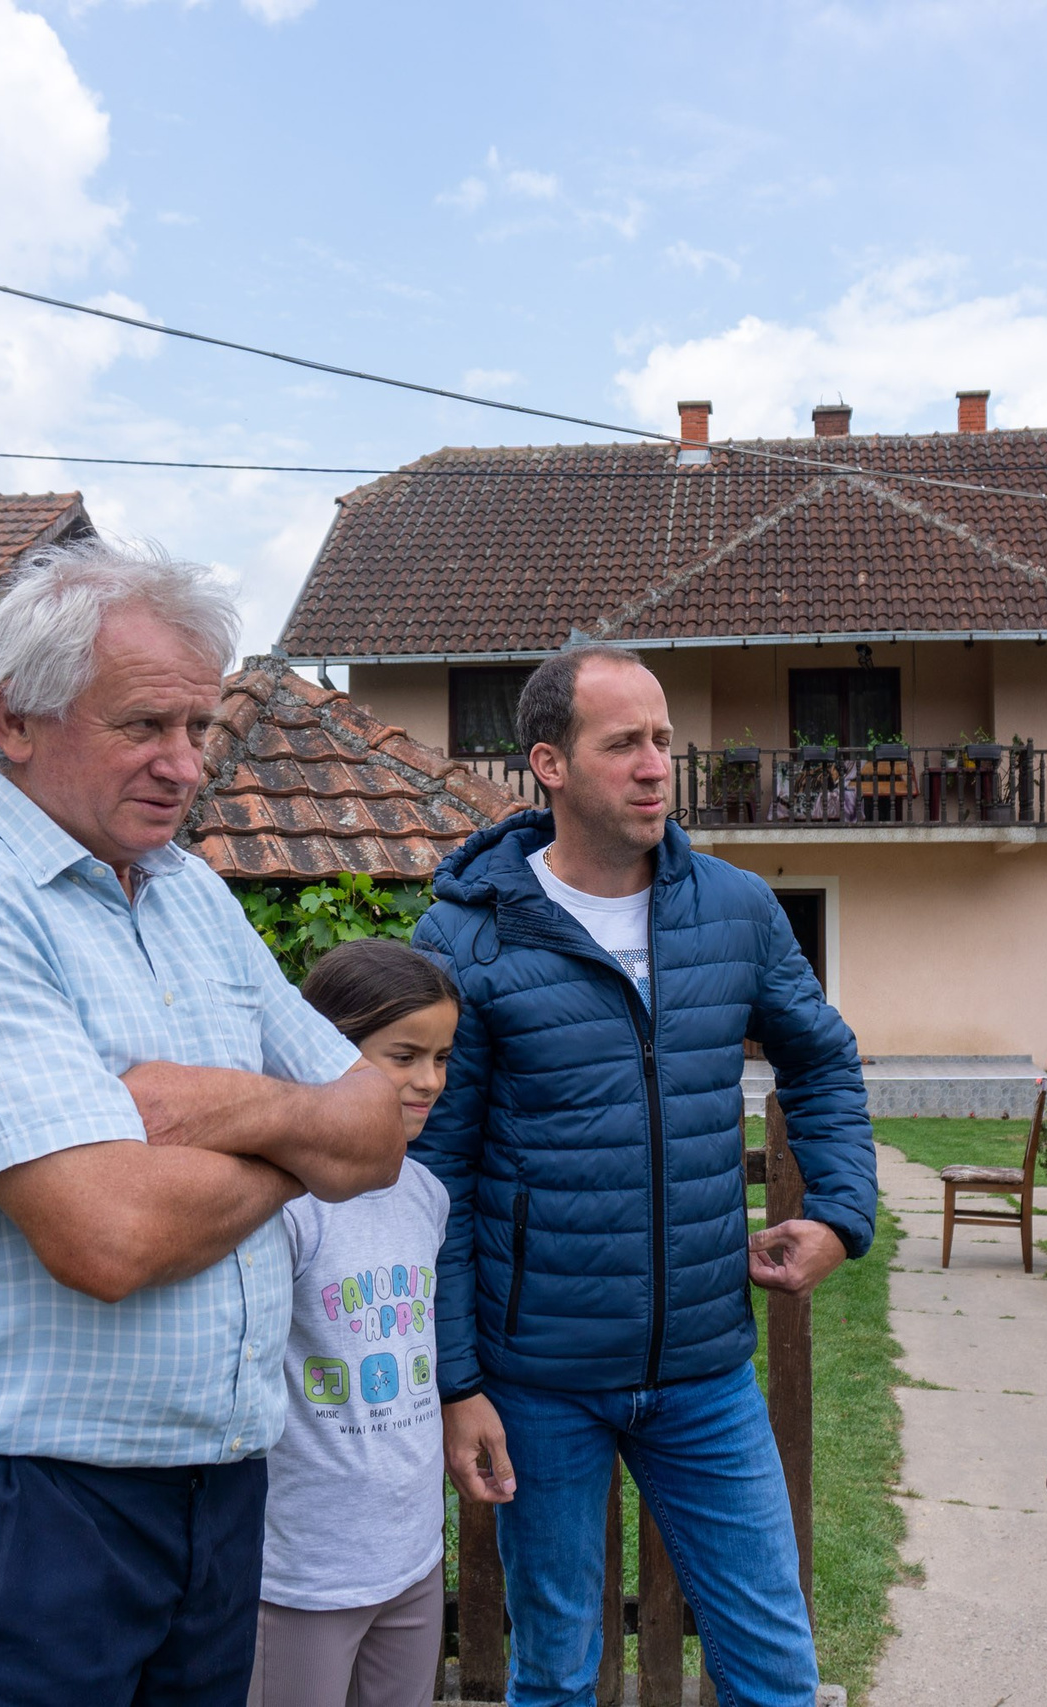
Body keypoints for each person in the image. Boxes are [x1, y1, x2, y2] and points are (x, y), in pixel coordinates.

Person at [0, 535, 406, 1707]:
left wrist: (221, 1109)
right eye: (145, 726)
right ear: (14, 720)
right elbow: (108, 1239)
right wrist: (302, 1142)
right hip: (11, 1509)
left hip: (213, 1493)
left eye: (198, 726)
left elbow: (380, 1128)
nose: (187, 766)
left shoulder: (187, 893)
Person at [411, 644, 878, 1707]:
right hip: (539, 1378)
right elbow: (433, 1169)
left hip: (706, 1366)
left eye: (664, 740)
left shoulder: (737, 910)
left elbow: (820, 1055)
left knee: (771, 1662)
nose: (655, 765)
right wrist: (458, 1381)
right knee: (557, 1668)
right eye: (622, 743)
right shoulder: (466, 937)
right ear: (549, 764)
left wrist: (841, 1213)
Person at [252, 938, 461, 1707]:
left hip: (410, 1559)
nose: (429, 1080)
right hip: (302, 1572)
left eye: (441, 1057)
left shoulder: (426, 1193)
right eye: (403, 1055)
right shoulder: (283, 1206)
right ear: (327, 1051)